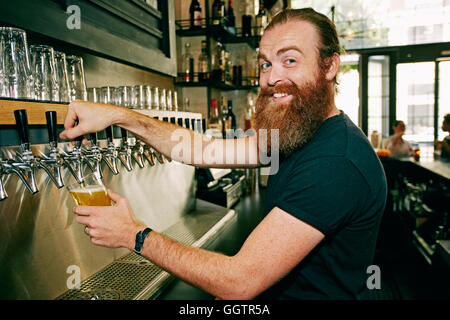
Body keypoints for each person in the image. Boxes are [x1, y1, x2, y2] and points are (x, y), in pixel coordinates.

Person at [60, 8, 387, 300]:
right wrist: (120, 117)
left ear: (329, 66)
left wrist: (133, 234)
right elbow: (203, 150)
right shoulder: (299, 133)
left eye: (290, 60)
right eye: (265, 64)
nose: (272, 78)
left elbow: (238, 281)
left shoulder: (335, 164)